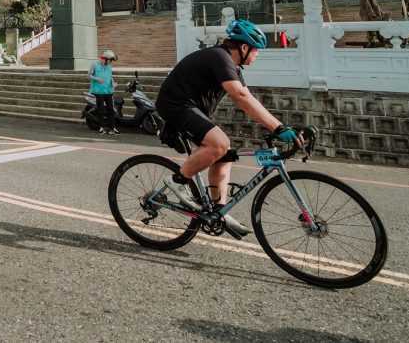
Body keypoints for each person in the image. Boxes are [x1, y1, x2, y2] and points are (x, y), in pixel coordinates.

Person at [155, 19, 301, 237]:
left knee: (225, 154)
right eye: (256, 50)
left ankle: (218, 211)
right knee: (219, 144)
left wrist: (277, 126)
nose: (257, 55)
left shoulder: (232, 66)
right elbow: (240, 96)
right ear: (244, 48)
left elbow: (248, 98)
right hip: (175, 104)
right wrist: (278, 128)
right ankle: (177, 181)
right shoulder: (219, 56)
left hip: (195, 109)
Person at [89, 49, 119, 135]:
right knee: (101, 109)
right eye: (109, 61)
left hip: (108, 90)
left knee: (111, 109)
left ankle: (112, 127)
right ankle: (101, 127)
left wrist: (113, 83)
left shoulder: (109, 66)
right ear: (105, 59)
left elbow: (110, 76)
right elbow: (88, 75)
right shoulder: (94, 64)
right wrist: (97, 78)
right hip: (98, 91)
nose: (110, 63)